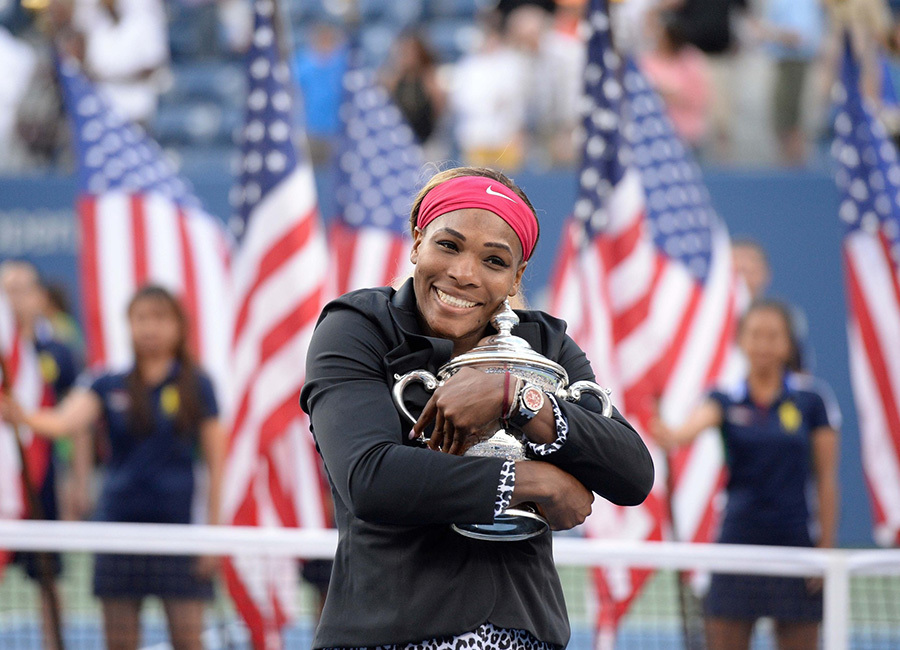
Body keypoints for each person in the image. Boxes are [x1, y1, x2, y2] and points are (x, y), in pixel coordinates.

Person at [300, 166, 654, 649]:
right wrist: (531, 482)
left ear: (516, 276)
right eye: (448, 245)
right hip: (389, 633)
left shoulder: (543, 343)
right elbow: (370, 478)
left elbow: (633, 474)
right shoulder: (358, 327)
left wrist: (516, 397)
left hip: (524, 631)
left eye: (493, 260)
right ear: (417, 242)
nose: (464, 273)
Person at [0, 285, 226, 650]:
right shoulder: (108, 382)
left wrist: (213, 536)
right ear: (129, 325)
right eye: (141, 318)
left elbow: (218, 465)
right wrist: (22, 416)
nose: (150, 327)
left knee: (189, 641)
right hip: (117, 533)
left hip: (182, 538)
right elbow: (62, 421)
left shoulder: (198, 385)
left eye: (160, 318)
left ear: (179, 326)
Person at [652, 299, 840, 650]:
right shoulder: (724, 399)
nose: (764, 344)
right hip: (737, 545)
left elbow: (827, 480)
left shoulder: (813, 400)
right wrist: (670, 433)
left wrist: (826, 549)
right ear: (742, 341)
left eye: (773, 336)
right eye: (755, 335)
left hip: (796, 547)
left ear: (787, 344)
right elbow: (688, 431)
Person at [641, 11, 712, 151]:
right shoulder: (646, 61)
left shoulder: (691, 60)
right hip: (653, 135)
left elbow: (700, 98)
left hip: (687, 135)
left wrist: (668, 93)